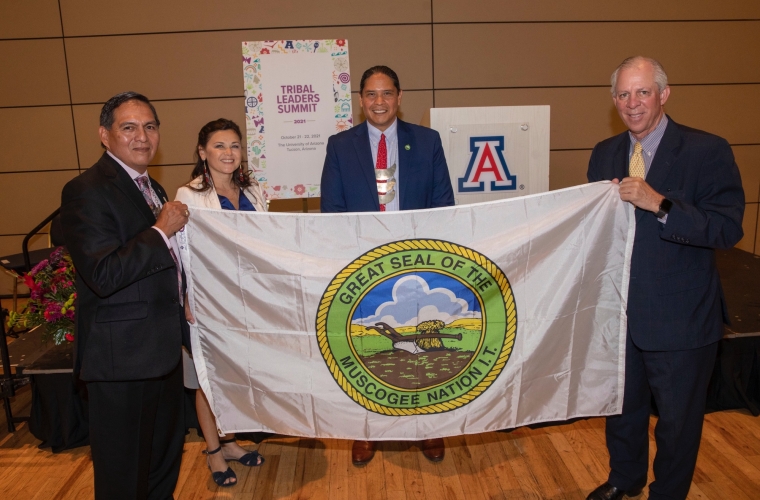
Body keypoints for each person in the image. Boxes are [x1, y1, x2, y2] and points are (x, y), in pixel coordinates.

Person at [586, 57, 744, 500]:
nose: (632, 104)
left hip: (681, 316)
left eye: (642, 92)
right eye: (622, 94)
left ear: (664, 94)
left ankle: (668, 493)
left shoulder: (706, 150)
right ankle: (625, 478)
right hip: (618, 314)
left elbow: (727, 229)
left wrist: (661, 204)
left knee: (677, 421)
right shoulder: (605, 152)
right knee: (621, 409)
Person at [320, 65, 455, 466]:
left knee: (424, 351)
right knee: (367, 349)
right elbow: (333, 210)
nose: (379, 102)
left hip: (417, 263)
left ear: (399, 96)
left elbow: (443, 205)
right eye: (371, 94)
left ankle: (428, 427)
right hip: (365, 268)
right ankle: (367, 428)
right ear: (361, 100)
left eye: (387, 94)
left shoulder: (427, 141)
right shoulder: (340, 146)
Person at [60, 91, 189, 499]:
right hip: (120, 363)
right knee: (122, 480)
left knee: (162, 467)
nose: (142, 136)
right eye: (128, 127)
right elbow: (103, 272)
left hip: (162, 355)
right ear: (105, 135)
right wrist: (160, 231)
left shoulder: (152, 186)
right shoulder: (85, 190)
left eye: (149, 126)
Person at [175, 118, 266, 487]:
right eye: (219, 146)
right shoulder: (189, 194)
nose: (228, 153)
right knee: (207, 377)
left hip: (250, 299)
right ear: (202, 152)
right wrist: (187, 296)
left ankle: (229, 442)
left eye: (234, 146)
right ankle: (214, 451)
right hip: (209, 299)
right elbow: (181, 252)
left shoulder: (255, 191)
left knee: (237, 375)